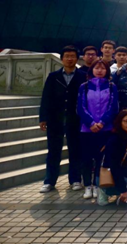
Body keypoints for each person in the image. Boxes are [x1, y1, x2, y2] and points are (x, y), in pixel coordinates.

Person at [39, 46, 87, 193]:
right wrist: (43, 118)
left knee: (75, 150)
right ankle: (49, 181)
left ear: (77, 59)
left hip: (75, 119)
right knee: (53, 151)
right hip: (55, 119)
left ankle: (75, 180)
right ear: (62, 59)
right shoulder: (53, 76)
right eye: (67, 56)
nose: (69, 59)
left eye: (72, 56)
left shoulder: (83, 76)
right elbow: (46, 97)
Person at [77, 60, 118, 200]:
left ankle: (97, 184)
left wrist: (102, 123)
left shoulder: (112, 86)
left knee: (101, 158)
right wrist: (91, 123)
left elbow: (113, 107)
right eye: (97, 68)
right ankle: (87, 186)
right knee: (86, 158)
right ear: (92, 70)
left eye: (103, 68)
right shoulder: (84, 87)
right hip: (87, 129)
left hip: (105, 128)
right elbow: (81, 108)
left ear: (107, 70)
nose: (100, 71)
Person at [98, 110, 127, 206]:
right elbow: (114, 167)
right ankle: (104, 191)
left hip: (123, 169)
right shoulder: (114, 140)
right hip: (108, 173)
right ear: (120, 122)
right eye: (126, 121)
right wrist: (123, 190)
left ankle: (119, 189)